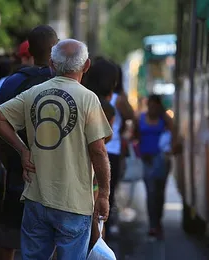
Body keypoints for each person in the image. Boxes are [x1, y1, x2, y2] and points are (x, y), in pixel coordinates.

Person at [0, 39, 112, 260]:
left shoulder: (33, 93)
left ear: (51, 63)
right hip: (74, 203)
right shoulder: (88, 99)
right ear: (86, 65)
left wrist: (23, 150)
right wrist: (104, 195)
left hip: (36, 198)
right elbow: (99, 151)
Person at [0, 25, 58, 260]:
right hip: (56, 179)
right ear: (56, 49)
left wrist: (17, 155)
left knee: (8, 240)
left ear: (29, 50)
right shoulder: (66, 84)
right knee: (53, 240)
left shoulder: (12, 83)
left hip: (18, 176)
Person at [83, 57, 118, 248]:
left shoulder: (83, 97)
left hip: (76, 164)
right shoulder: (107, 107)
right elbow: (105, 139)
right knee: (97, 221)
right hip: (94, 170)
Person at [135, 94, 173, 240]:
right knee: (151, 193)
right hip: (147, 160)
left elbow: (174, 134)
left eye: (154, 105)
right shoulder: (141, 119)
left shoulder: (165, 119)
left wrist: (171, 149)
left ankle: (158, 222)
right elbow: (136, 136)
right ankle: (153, 224)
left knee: (160, 192)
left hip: (161, 160)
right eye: (149, 104)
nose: (151, 107)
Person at [105, 64, 135, 238]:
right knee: (108, 191)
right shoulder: (119, 99)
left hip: (94, 148)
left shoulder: (91, 94)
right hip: (113, 150)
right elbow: (131, 115)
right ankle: (105, 229)